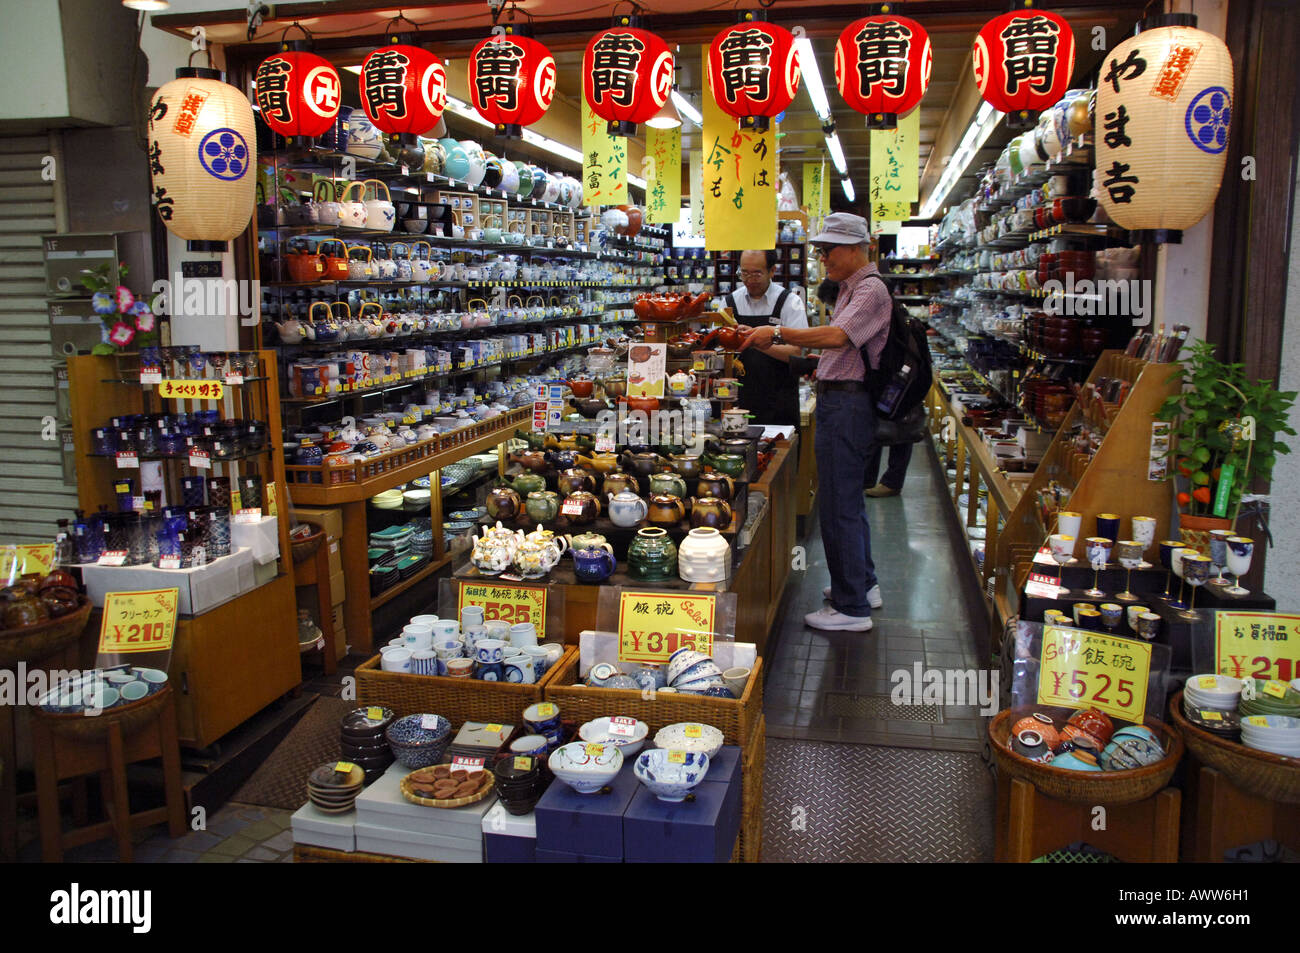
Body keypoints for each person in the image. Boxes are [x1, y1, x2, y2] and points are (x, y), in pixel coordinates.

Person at [741, 213, 891, 632]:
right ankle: (862, 584)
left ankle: (851, 608)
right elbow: (820, 356)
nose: (824, 258)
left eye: (830, 250)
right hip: (839, 402)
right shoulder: (849, 289)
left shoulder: (869, 290)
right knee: (848, 502)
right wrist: (760, 340)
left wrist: (774, 332)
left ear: (858, 247)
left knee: (839, 505)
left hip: (848, 407)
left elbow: (837, 338)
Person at [724, 249, 808, 426]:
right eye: (744, 273)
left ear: (772, 271)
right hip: (739, 399)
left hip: (780, 401)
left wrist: (756, 341)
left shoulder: (789, 302)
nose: (749, 280)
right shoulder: (730, 302)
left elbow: (796, 352)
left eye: (756, 274)